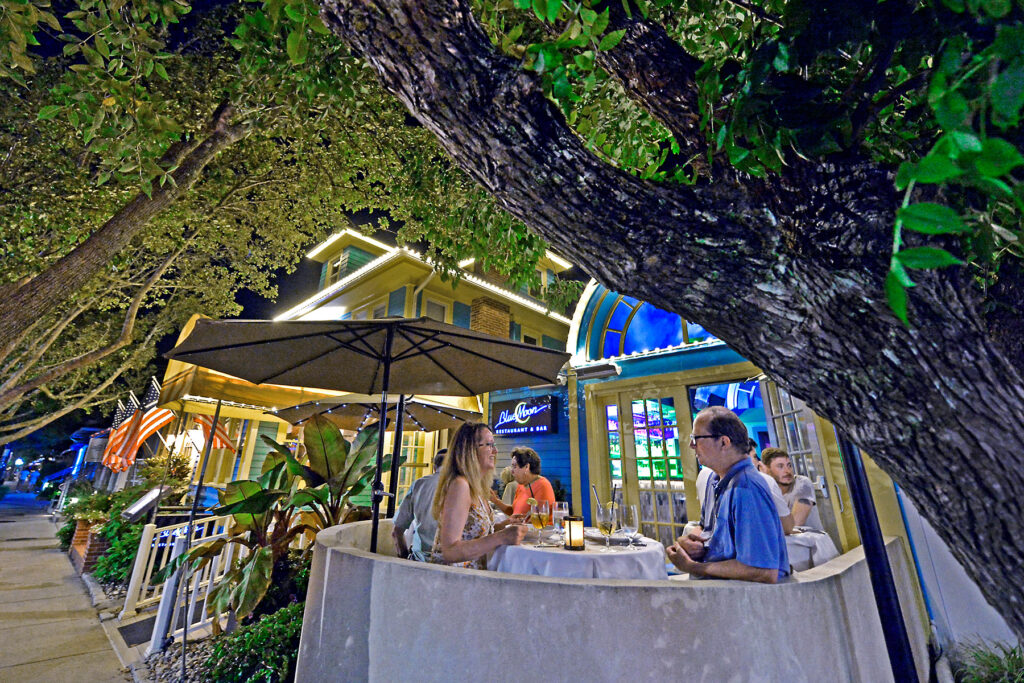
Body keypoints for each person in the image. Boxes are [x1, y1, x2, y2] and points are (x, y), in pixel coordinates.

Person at [667, 407, 789, 583]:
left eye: (697, 438)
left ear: (724, 442)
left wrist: (693, 567)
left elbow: (763, 571)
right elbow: (705, 527)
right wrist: (688, 543)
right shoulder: (715, 479)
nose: (691, 445)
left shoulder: (746, 488)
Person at [431, 422, 528, 569]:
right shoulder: (460, 485)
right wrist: (501, 537)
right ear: (469, 450)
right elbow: (450, 551)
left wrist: (504, 525)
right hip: (453, 581)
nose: (495, 451)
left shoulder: (476, 487)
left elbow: (472, 534)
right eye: (489, 444)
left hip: (474, 578)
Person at [695, 438, 794, 535]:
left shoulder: (705, 475)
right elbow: (787, 527)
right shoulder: (762, 479)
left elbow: (704, 521)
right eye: (755, 457)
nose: (758, 462)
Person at [392, 449, 447, 561]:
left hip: (419, 560)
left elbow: (397, 532)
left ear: (434, 467)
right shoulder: (465, 486)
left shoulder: (418, 484)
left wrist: (404, 557)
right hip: (453, 564)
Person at [762, 447, 824, 531]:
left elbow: (794, 525)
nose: (787, 471)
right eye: (780, 466)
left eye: (789, 465)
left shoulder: (802, 483)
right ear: (766, 470)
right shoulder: (767, 491)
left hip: (811, 542)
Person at [489, 446, 556, 516]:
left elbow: (537, 519)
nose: (512, 471)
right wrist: (495, 501)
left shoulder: (542, 485)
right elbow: (514, 512)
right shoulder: (521, 485)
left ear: (527, 467)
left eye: (514, 466)